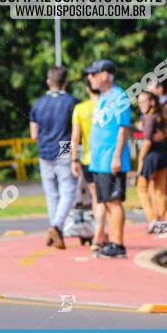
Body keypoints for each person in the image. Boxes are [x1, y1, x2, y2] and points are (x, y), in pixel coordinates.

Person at [85, 59, 130, 259]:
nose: (89, 78)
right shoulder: (103, 98)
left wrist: (117, 156)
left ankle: (118, 244)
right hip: (99, 161)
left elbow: (123, 128)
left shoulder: (119, 96)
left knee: (113, 202)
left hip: (110, 160)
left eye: (93, 74)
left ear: (104, 75)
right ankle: (112, 242)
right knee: (107, 202)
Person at [30, 66, 78, 249]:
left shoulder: (37, 104)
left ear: (48, 81)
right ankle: (57, 226)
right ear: (66, 81)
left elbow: (33, 134)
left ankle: (55, 227)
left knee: (51, 193)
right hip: (64, 145)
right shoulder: (72, 102)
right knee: (68, 190)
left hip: (44, 148)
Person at [135, 92, 167, 235]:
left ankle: (153, 220)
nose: (141, 105)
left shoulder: (150, 118)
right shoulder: (161, 116)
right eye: (139, 102)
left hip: (152, 157)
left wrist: (140, 159)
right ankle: (163, 226)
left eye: (143, 101)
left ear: (152, 102)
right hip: (164, 155)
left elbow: (147, 142)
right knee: (160, 191)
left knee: (141, 188)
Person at [71, 80, 105, 250]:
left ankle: (98, 235)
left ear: (87, 89)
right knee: (106, 199)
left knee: (96, 198)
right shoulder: (108, 106)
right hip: (106, 158)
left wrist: (74, 160)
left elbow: (75, 138)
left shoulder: (80, 108)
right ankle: (101, 234)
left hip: (88, 159)